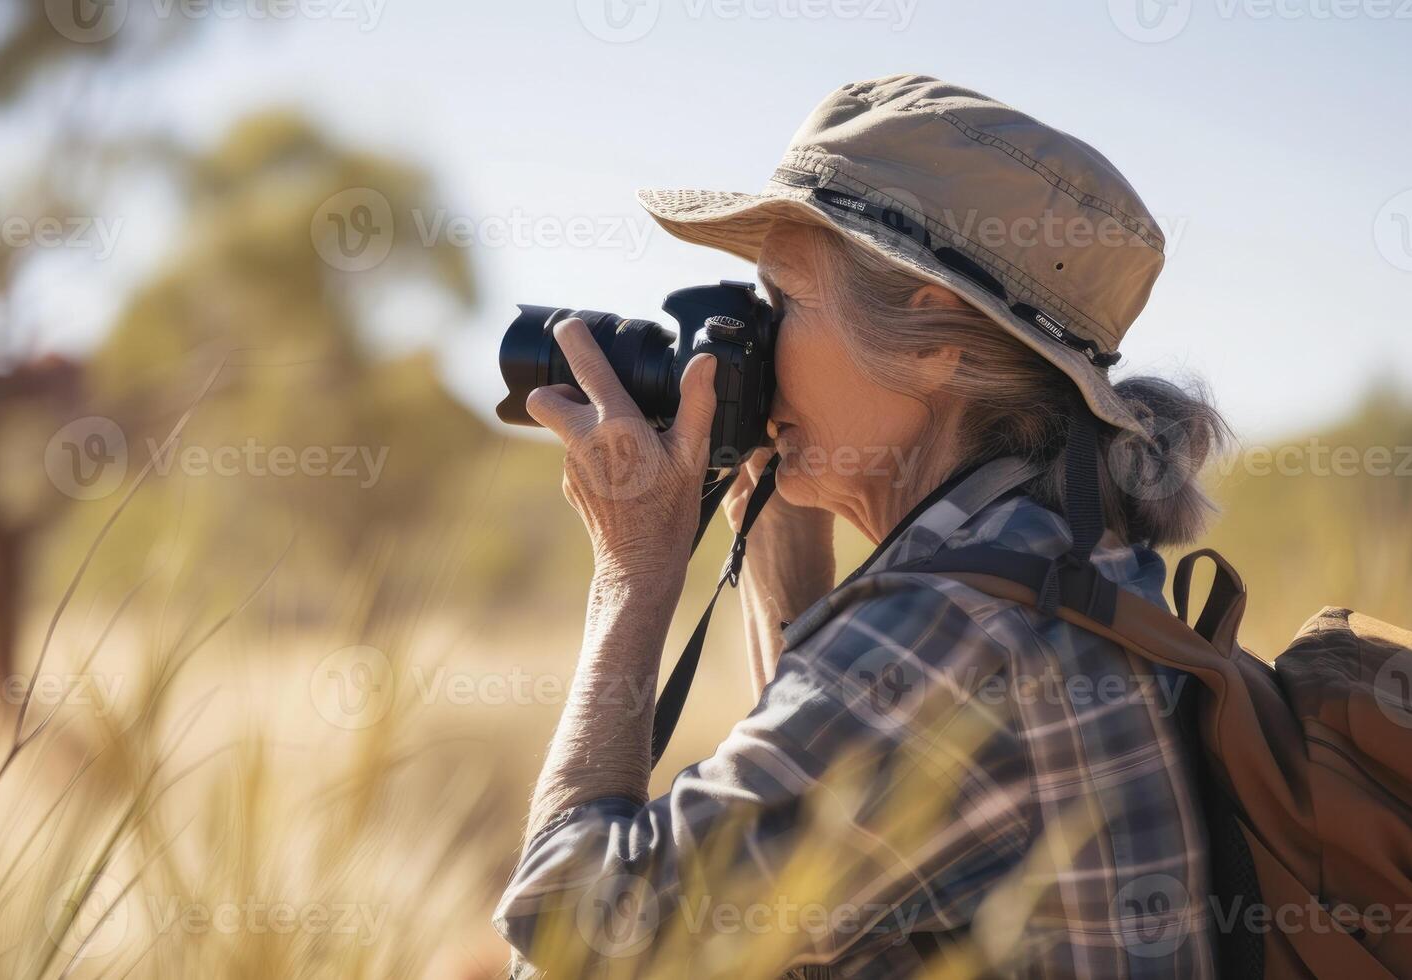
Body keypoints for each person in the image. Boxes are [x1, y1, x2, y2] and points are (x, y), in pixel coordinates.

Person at [494, 75, 1230, 977]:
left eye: (782, 303)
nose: (745, 342)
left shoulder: (951, 631)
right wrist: (781, 542)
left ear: (930, 342)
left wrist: (630, 576)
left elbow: (575, 940)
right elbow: (816, 880)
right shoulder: (1059, 567)